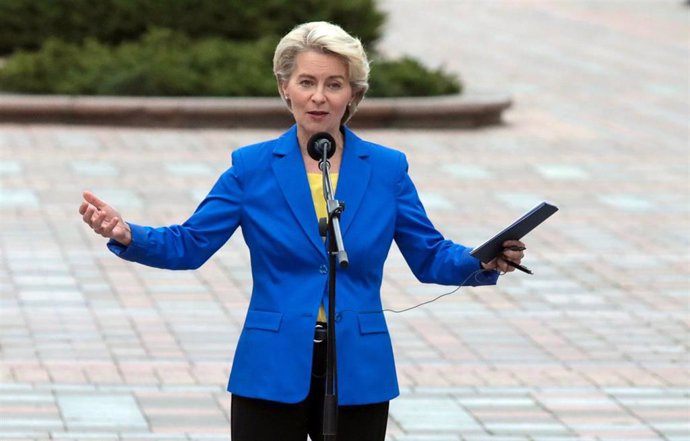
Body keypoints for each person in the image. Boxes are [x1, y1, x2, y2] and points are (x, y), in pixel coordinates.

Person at [79, 21, 526, 441]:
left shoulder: (388, 169)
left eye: (334, 84)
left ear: (353, 94)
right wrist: (126, 233)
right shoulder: (251, 168)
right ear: (284, 88)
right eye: (307, 82)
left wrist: (482, 258)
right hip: (271, 363)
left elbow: (429, 254)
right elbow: (190, 243)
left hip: (357, 367)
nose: (319, 97)